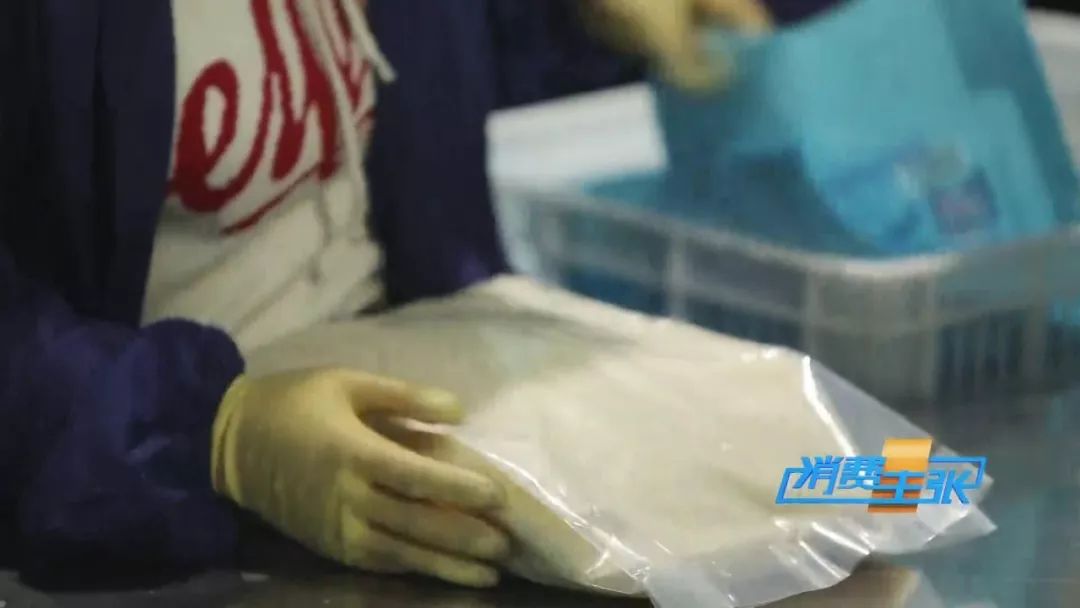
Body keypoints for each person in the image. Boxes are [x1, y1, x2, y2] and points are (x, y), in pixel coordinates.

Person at [0, 0, 811, 590]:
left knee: (823, 464)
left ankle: (896, 487)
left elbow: (464, 55)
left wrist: (582, 20)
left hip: (431, 364)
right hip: (167, 494)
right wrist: (214, 435)